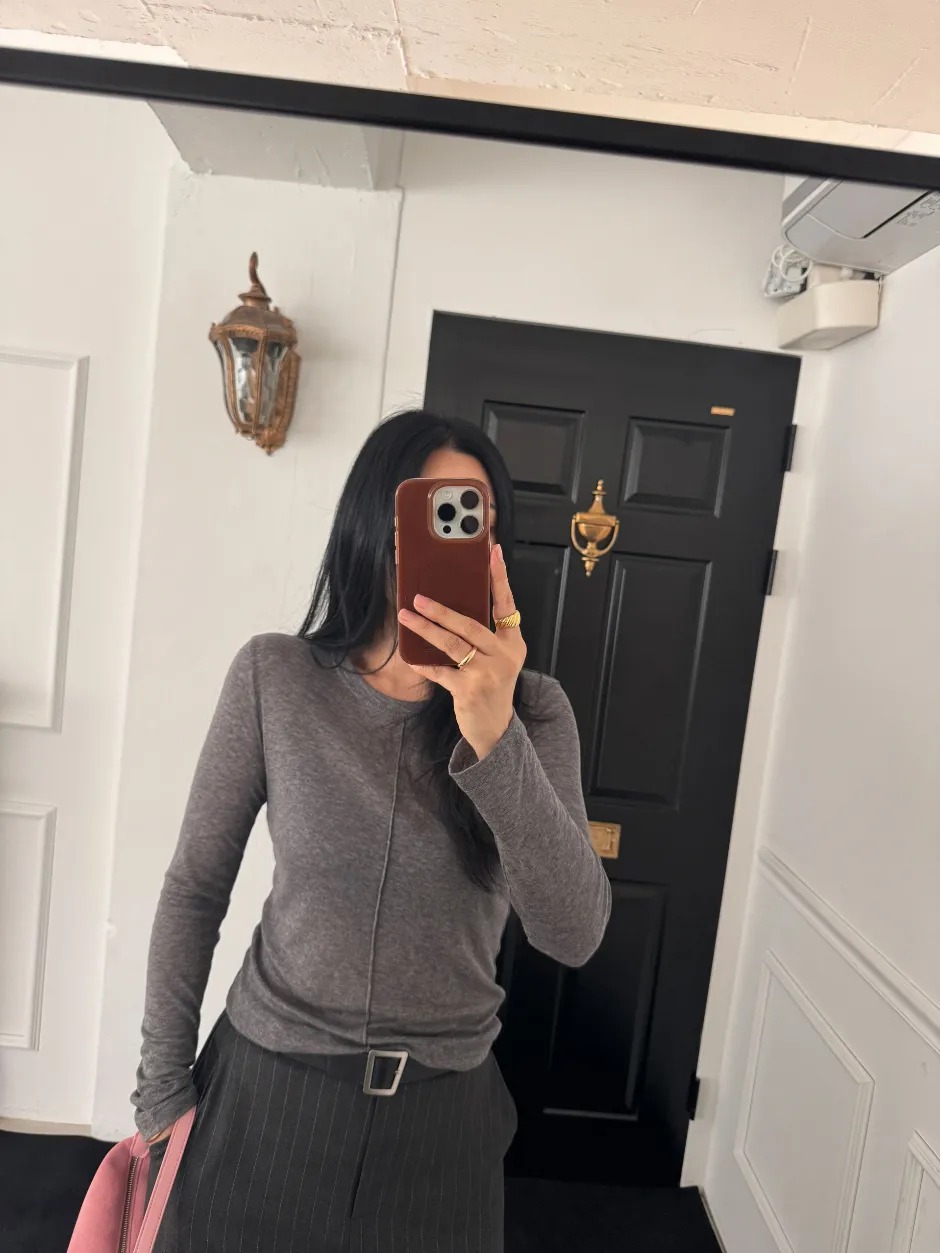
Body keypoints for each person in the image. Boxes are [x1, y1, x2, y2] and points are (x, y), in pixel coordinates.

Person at [132, 409, 612, 1252]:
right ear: (372, 521)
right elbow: (195, 887)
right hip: (267, 1095)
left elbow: (573, 934)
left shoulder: (534, 712)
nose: (450, 539)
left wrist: (493, 733)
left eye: (472, 522)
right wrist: (162, 1091)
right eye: (428, 514)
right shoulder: (275, 676)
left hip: (443, 1124)